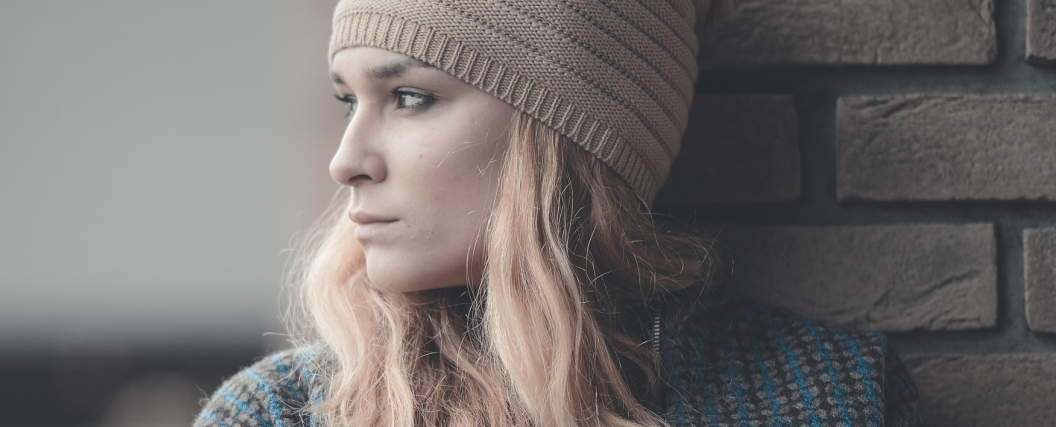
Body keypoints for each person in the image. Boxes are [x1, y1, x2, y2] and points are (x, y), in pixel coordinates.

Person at [196, 0, 925, 426]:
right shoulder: (280, 414)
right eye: (347, 99)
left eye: (408, 97)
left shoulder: (825, 393)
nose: (347, 158)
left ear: (564, 137)